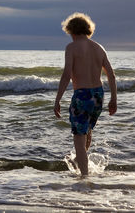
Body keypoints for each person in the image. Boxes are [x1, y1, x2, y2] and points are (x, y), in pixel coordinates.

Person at [54, 12, 117, 177]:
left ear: (71, 31)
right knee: (87, 131)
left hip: (82, 95)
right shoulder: (99, 48)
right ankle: (80, 161)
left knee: (78, 139)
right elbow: (111, 75)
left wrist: (57, 99)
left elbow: (67, 74)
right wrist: (113, 99)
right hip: (98, 95)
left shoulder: (72, 47)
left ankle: (84, 178)